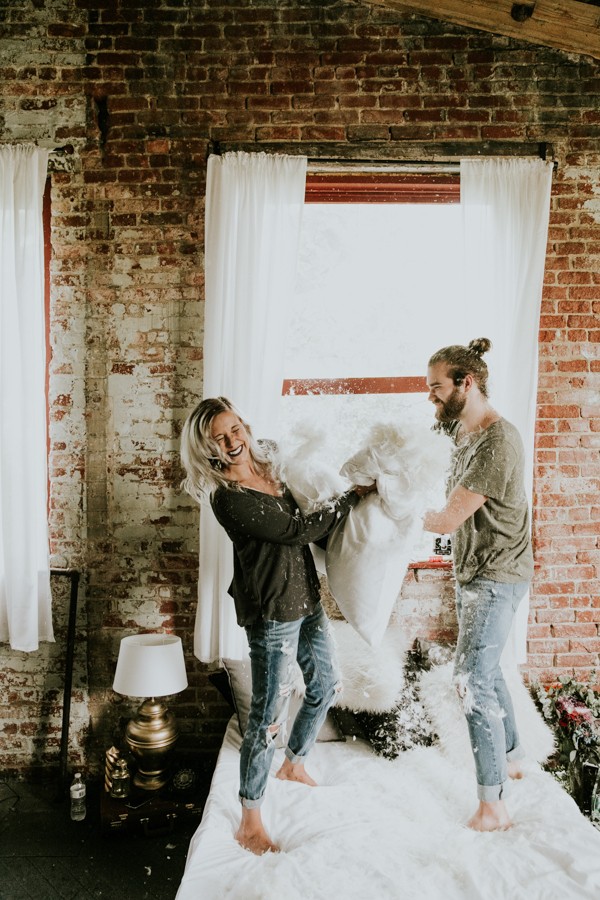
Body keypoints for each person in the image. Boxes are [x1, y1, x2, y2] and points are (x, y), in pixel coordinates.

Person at [180, 396, 374, 855]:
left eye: (235, 429)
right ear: (208, 447)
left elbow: (305, 487)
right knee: (267, 717)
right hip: (271, 611)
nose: (233, 442)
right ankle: (250, 817)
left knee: (327, 682)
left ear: (245, 426)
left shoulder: (269, 464)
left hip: (305, 596)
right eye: (220, 438)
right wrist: (350, 498)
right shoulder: (228, 498)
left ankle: (294, 763)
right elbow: (296, 532)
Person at [422, 338, 534, 832]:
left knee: (470, 682)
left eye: (436, 388)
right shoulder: (462, 436)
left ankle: (494, 807)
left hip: (496, 576)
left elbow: (447, 518)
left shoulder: (498, 441)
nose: (430, 398)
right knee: (486, 672)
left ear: (467, 383)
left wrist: (388, 509)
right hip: (474, 572)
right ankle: (511, 756)